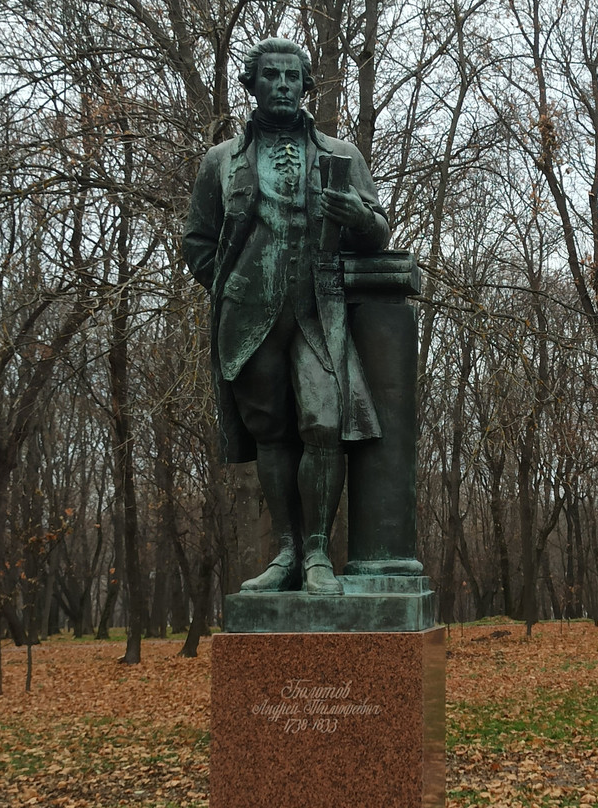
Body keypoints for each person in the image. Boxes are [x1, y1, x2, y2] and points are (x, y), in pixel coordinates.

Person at [183, 37, 389, 595]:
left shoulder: (339, 156)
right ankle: (287, 552)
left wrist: (360, 219)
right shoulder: (221, 160)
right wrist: (232, 288)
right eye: (270, 76)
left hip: (318, 310)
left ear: (305, 87)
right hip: (249, 317)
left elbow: (379, 231)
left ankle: (319, 552)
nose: (281, 85)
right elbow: (197, 241)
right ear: (251, 85)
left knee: (324, 423)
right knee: (270, 432)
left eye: (291, 78)